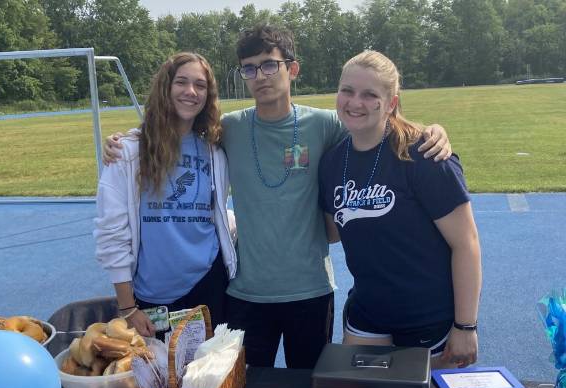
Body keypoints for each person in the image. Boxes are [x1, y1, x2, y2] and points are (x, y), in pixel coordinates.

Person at [102, 25, 452, 368]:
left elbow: (375, 121)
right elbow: (175, 131)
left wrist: (432, 132)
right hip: (245, 293)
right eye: (250, 68)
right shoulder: (229, 129)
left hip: (311, 290)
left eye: (270, 65)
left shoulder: (325, 124)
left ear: (292, 69)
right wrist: (127, 141)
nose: (261, 76)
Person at [319, 50, 481, 369]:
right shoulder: (332, 162)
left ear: (391, 103)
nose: (355, 102)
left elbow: (467, 243)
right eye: (347, 91)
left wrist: (466, 325)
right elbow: (333, 232)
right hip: (367, 313)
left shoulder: (424, 156)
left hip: (428, 320)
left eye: (370, 94)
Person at [93, 52, 237, 338]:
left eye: (200, 85)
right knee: (158, 378)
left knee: (209, 377)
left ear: (208, 95)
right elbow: (112, 233)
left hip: (209, 282)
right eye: (181, 82)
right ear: (165, 88)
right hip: (151, 294)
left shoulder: (215, 151)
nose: (191, 91)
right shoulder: (129, 152)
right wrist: (127, 308)